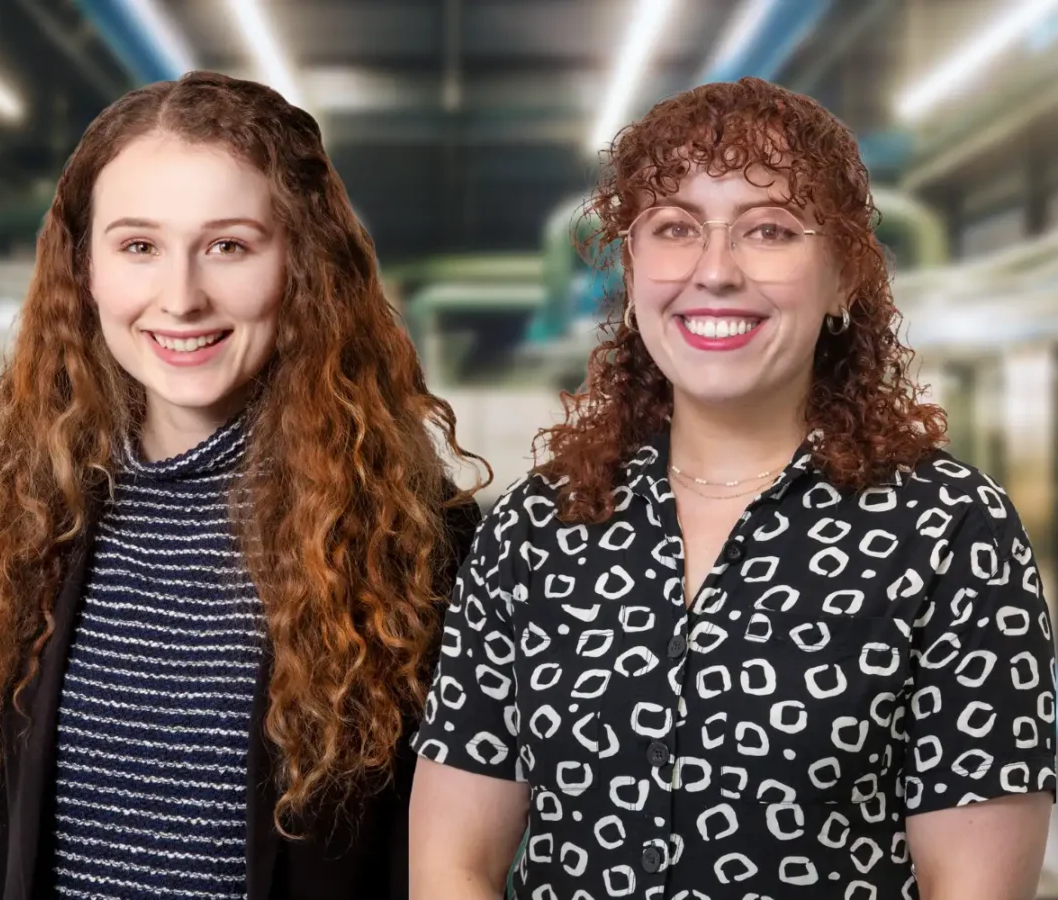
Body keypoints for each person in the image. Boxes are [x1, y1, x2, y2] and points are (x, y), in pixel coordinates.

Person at [409, 76, 1056, 900]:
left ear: (845, 278)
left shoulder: (949, 532)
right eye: (675, 228)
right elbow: (451, 865)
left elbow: (973, 887)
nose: (715, 271)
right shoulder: (537, 530)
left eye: (770, 230)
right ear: (634, 267)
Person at [0, 70, 484, 900]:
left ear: (303, 265)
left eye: (229, 245)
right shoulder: (34, 512)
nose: (182, 298)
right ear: (83, 270)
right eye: (139, 246)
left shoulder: (417, 543)